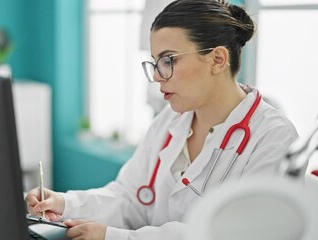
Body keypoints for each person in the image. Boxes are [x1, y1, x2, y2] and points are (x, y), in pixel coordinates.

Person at [25, 0, 299, 239]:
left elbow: (232, 234)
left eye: (168, 60)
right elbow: (130, 196)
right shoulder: (171, 120)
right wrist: (64, 203)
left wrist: (114, 237)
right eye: (155, 62)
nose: (156, 76)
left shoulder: (273, 137)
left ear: (217, 59)